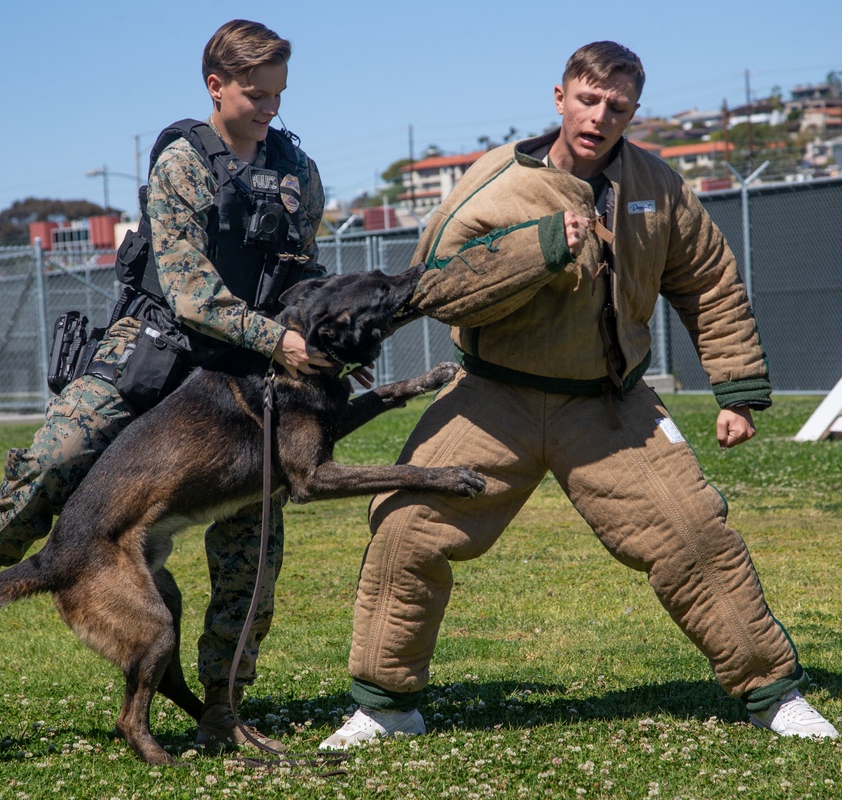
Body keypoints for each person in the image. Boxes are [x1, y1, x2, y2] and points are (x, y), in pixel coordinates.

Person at [320, 40, 838, 750]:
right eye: (587, 100)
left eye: (616, 106)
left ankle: (773, 695)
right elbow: (433, 286)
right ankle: (387, 708)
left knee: (694, 533)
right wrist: (539, 246)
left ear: (632, 111)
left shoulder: (659, 186)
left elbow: (710, 281)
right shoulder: (493, 182)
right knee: (406, 528)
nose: (599, 116)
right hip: (492, 400)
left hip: (610, 407)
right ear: (560, 98)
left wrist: (736, 392)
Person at [0, 19, 341, 752]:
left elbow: (303, 270)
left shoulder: (295, 171)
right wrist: (280, 337)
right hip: (158, 347)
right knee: (59, 455)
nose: (270, 107)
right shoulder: (182, 163)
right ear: (215, 86)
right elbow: (189, 294)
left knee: (254, 544)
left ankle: (223, 706)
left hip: (244, 377)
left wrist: (323, 327)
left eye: (279, 92)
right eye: (255, 93)